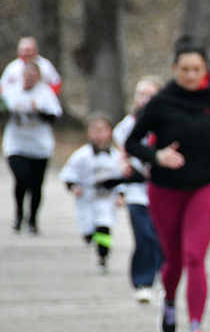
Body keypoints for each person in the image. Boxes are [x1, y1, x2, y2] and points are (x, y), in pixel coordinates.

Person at [124, 34, 210, 332]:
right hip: (165, 190)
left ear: (204, 70)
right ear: (174, 68)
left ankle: (196, 328)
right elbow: (132, 142)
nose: (191, 75)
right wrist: (157, 156)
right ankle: (170, 300)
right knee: (173, 260)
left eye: (197, 69)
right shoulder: (160, 102)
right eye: (185, 69)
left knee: (194, 256)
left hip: (203, 187)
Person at [113, 77, 164, 304]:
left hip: (161, 189)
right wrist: (123, 164)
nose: (146, 100)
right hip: (136, 191)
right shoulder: (127, 125)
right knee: (144, 235)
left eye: (152, 96)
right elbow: (120, 152)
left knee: (161, 236)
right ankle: (143, 282)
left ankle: (163, 277)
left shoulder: (167, 123)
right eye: (142, 95)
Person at [1, 61, 62, 233]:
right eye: (28, 76)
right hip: (16, 143)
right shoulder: (11, 92)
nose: (30, 80)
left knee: (36, 184)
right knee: (22, 177)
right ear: (23, 75)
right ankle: (19, 213)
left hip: (39, 145)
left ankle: (33, 219)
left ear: (39, 78)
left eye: (34, 77)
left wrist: (39, 110)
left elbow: (54, 118)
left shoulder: (45, 93)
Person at [59, 112, 123, 273]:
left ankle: (103, 256)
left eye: (103, 130)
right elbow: (69, 173)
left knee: (104, 225)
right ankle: (89, 235)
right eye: (95, 130)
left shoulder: (116, 157)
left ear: (110, 132)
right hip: (87, 199)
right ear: (88, 133)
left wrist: (121, 195)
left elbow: (122, 177)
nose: (99, 134)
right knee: (87, 228)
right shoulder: (82, 155)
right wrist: (73, 186)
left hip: (106, 199)